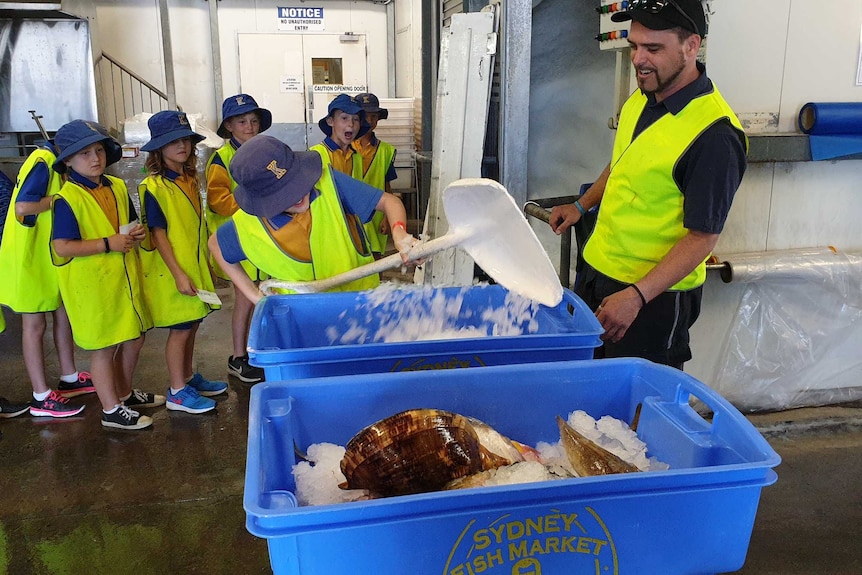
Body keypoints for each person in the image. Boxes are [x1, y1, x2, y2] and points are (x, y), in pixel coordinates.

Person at [548, 0, 747, 369]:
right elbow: (624, 163)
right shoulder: (641, 99)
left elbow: (702, 238)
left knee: (632, 414)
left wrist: (636, 297)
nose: (639, 59)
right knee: (587, 392)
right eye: (635, 45)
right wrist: (581, 206)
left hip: (651, 301)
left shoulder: (714, 136)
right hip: (599, 276)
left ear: (692, 46)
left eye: (653, 49)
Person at [208, 135, 418, 307]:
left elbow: (389, 202)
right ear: (264, 200)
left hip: (361, 307)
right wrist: (256, 297)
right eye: (285, 195)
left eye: (298, 183)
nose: (299, 196)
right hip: (300, 320)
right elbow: (215, 245)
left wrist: (399, 233)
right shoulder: (248, 224)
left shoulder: (330, 184)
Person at [51, 120, 161, 430]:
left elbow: (127, 221)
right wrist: (106, 244)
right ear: (68, 161)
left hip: (122, 281)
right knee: (103, 348)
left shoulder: (114, 186)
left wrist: (135, 233)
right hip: (92, 286)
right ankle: (111, 409)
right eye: (84, 153)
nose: (95, 158)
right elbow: (62, 247)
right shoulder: (67, 199)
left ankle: (123, 393)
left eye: (99, 150)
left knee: (134, 337)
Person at [139, 111, 228, 414]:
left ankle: (187, 377)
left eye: (185, 140)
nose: (181, 146)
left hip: (193, 266)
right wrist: (178, 273)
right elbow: (159, 234)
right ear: (158, 149)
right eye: (172, 142)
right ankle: (177, 390)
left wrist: (205, 265)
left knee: (192, 323)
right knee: (180, 329)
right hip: (172, 270)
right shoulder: (154, 187)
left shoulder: (189, 179)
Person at [0, 138, 95, 420]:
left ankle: (69, 377)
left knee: (62, 314)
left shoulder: (52, 164)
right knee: (35, 325)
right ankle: (40, 396)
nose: (95, 157)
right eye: (86, 151)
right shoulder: (42, 161)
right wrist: (61, 200)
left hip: (48, 257)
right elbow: (22, 207)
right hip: (29, 260)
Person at [206, 93, 272, 384]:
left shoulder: (265, 151)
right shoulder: (221, 158)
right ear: (229, 126)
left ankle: (256, 350)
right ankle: (238, 357)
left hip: (264, 241)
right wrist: (254, 206)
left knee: (264, 295)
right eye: (242, 121)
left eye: (254, 121)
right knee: (245, 300)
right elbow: (218, 200)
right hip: (237, 242)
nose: (249, 126)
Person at [353, 92, 398, 257]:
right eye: (365, 116)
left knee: (375, 260)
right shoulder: (344, 145)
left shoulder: (386, 150)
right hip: (350, 213)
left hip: (376, 214)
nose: (370, 121)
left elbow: (387, 185)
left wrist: (388, 216)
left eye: (374, 116)